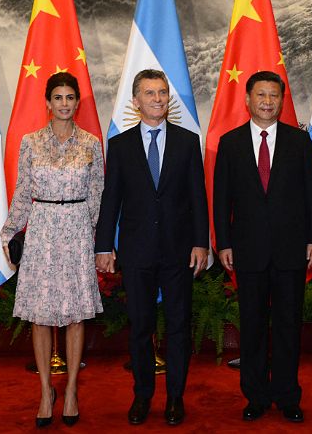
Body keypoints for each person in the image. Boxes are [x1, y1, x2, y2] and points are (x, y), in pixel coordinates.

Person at [95, 69, 208, 427]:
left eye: (162, 93)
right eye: (150, 93)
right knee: (141, 326)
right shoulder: (121, 145)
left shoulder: (188, 142)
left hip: (179, 251)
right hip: (137, 251)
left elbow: (197, 198)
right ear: (136, 101)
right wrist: (103, 246)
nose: (158, 99)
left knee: (178, 326)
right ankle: (142, 395)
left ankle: (175, 396)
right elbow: (110, 200)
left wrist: (200, 243)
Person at [213, 71, 312, 423]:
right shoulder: (229, 143)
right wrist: (224, 243)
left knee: (289, 325)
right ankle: (256, 396)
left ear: (281, 100)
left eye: (273, 95)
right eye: (260, 94)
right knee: (253, 327)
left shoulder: (298, 141)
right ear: (248, 99)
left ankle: (288, 396)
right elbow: (220, 200)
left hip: (292, 249)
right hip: (247, 251)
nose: (267, 101)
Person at [1, 72, 103, 428]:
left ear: (77, 102)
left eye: (69, 97)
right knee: (39, 316)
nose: (63, 103)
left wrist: (96, 242)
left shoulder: (91, 143)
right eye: (57, 97)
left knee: (76, 315)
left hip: (76, 232)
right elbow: (22, 191)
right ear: (48, 102)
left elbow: (97, 197)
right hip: (42, 230)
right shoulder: (30, 143)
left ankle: (71, 388)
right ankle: (46, 391)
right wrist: (11, 231)